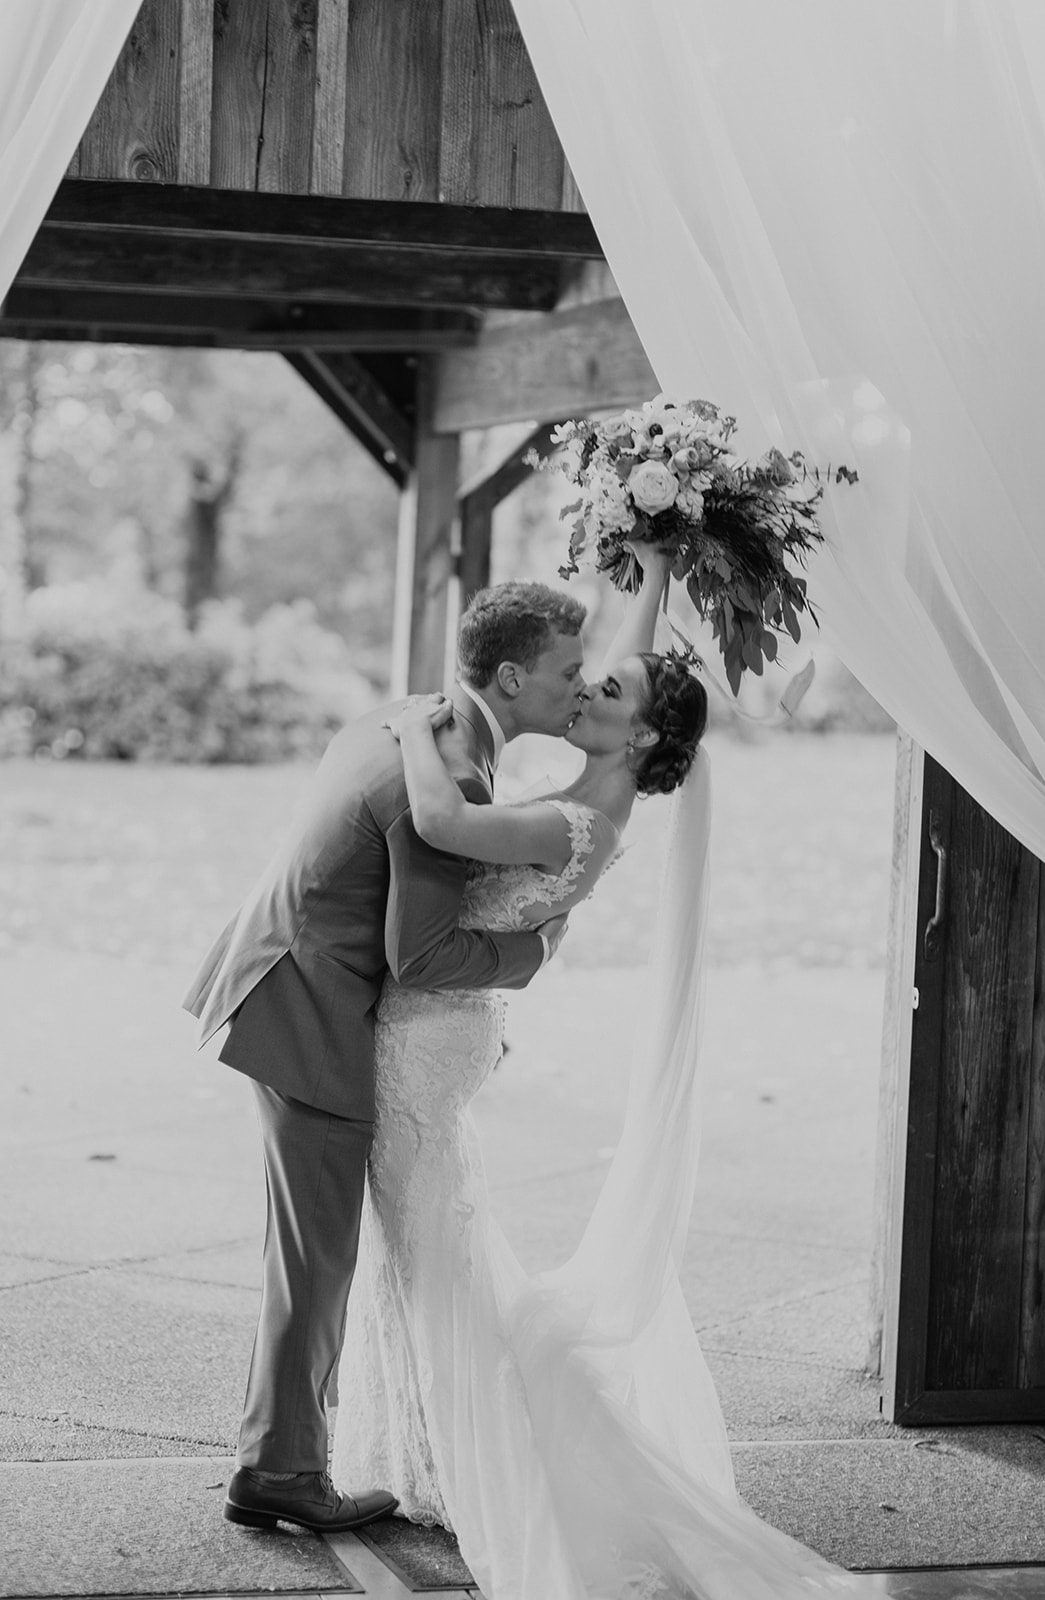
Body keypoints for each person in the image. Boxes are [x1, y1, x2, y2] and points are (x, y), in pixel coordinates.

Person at [333, 547, 871, 1597]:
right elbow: (625, 659)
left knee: (427, 1249)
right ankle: (429, 1448)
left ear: (646, 737)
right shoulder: (596, 785)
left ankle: (469, 1458)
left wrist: (405, 725)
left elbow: (441, 822)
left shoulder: (573, 819)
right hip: (445, 1031)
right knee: (428, 1244)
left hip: (427, 1045)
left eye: (607, 692)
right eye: (588, 678)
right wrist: (658, 553)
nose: (586, 687)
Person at [182, 581, 587, 1535]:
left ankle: (273, 1459)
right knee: (317, 1259)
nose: (582, 687)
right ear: (514, 675)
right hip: (308, 1009)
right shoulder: (452, 771)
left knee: (306, 1254)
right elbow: (424, 954)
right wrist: (531, 954)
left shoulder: (405, 719)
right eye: (568, 673)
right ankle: (280, 1472)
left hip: (280, 974)